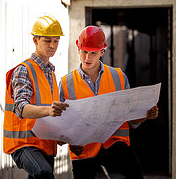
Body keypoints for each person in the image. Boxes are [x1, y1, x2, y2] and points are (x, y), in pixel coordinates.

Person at [59, 25, 159, 179]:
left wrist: (145, 115)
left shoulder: (118, 76)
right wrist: (71, 141)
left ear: (102, 52)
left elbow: (130, 118)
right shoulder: (66, 83)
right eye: (84, 52)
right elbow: (62, 122)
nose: (87, 58)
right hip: (83, 149)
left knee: (135, 173)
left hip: (114, 143)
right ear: (78, 49)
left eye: (93, 53)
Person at [3, 15, 69, 179]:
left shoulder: (51, 73)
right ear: (35, 40)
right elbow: (21, 108)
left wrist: (61, 134)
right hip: (24, 144)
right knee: (43, 173)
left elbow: (52, 113)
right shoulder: (24, 70)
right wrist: (49, 110)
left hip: (45, 143)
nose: (53, 45)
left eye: (56, 40)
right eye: (47, 41)